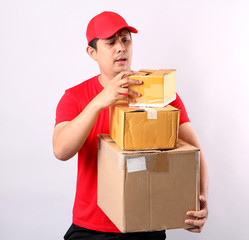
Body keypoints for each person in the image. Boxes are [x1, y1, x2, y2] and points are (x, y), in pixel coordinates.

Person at [53, 11, 208, 240]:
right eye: (111, 42)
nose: (121, 48)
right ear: (92, 52)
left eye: (126, 39)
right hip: (91, 229)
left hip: (145, 223)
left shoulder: (161, 94)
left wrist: (201, 199)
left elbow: (195, 154)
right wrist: (100, 102)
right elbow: (61, 151)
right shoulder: (75, 97)